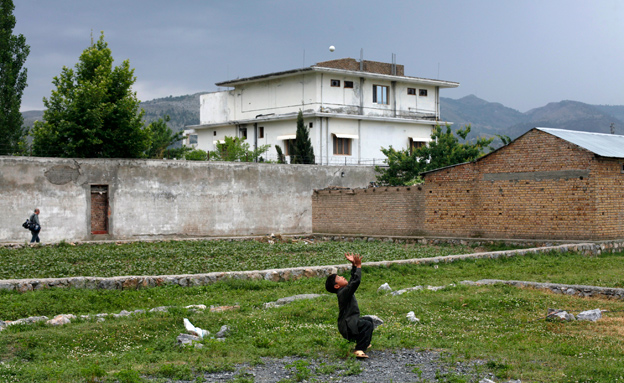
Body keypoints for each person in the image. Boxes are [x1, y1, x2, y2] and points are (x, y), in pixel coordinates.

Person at [325, 252, 374, 359]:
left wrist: (354, 266)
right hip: (348, 327)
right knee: (367, 325)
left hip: (348, 324)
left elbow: (352, 281)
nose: (342, 277)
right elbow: (355, 282)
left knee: (369, 320)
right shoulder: (343, 293)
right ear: (337, 286)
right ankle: (359, 350)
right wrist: (359, 266)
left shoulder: (344, 291)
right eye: (339, 278)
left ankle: (364, 342)